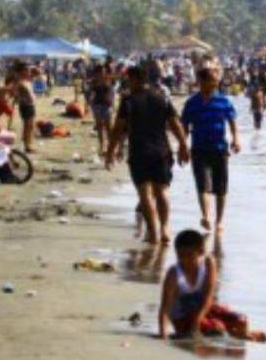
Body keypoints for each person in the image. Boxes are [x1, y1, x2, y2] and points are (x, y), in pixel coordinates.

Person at [107, 66, 190, 246]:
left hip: (139, 152)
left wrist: (110, 151)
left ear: (136, 79)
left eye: (129, 79)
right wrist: (183, 145)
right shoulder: (162, 98)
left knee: (145, 193)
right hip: (161, 151)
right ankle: (165, 229)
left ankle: (153, 233)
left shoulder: (128, 101)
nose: (127, 82)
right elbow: (176, 124)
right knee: (162, 191)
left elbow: (118, 129)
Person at [158, 229, 266, 341]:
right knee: (216, 328)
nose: (184, 260)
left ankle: (242, 334)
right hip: (183, 316)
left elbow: (208, 297)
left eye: (189, 255)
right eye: (180, 256)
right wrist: (163, 335)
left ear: (201, 252)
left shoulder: (208, 263)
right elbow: (165, 309)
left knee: (241, 321)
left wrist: (198, 319)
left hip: (204, 309)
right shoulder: (173, 274)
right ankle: (237, 335)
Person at [180, 67, 241, 233]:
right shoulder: (191, 103)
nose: (215, 83)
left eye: (216, 80)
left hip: (220, 149)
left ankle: (219, 221)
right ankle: (206, 216)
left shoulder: (224, 101)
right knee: (203, 186)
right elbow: (184, 126)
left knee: (221, 189)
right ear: (201, 81)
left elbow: (232, 122)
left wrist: (236, 139)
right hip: (199, 149)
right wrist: (182, 146)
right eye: (212, 80)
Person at [89, 65, 114, 157]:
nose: (103, 73)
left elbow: (111, 92)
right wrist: (90, 99)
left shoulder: (108, 79)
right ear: (97, 72)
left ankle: (111, 147)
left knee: (108, 127)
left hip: (107, 105)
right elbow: (92, 92)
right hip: (97, 105)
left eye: (104, 71)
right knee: (99, 127)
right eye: (101, 71)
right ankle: (102, 146)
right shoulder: (94, 81)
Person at [14, 63, 38, 152]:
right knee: (28, 126)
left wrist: (31, 67)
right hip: (25, 106)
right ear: (21, 71)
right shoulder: (20, 81)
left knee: (30, 126)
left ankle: (28, 144)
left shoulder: (27, 79)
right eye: (26, 70)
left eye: (28, 70)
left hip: (30, 105)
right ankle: (27, 146)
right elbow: (15, 93)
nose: (28, 71)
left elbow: (37, 72)